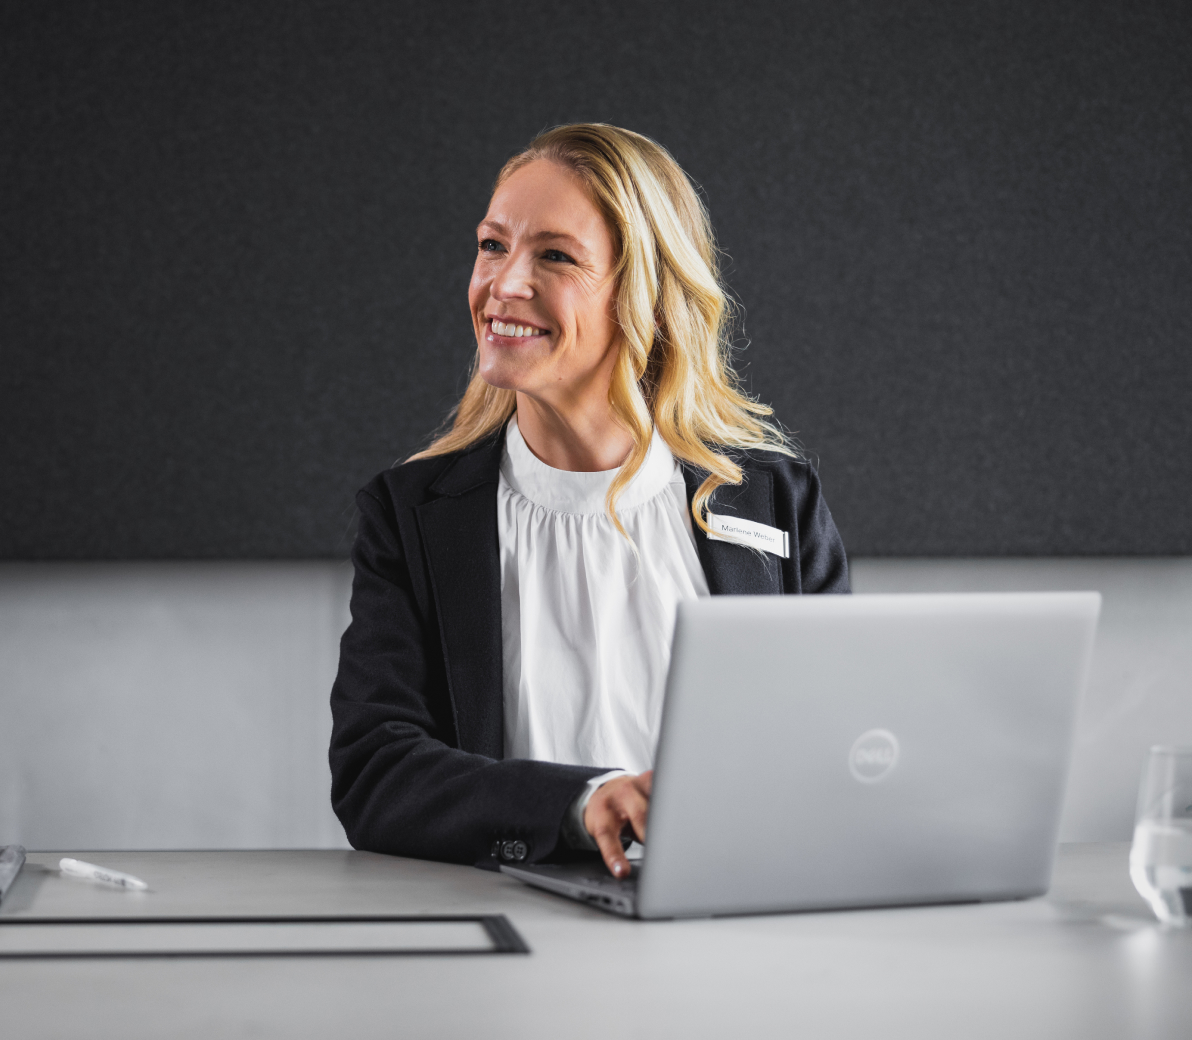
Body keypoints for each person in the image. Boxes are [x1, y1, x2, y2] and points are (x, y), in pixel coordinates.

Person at [329, 124, 849, 880]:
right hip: (510, 945)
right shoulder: (411, 516)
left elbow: (842, 743)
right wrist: (585, 802)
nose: (503, 284)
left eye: (555, 256)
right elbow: (377, 778)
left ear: (648, 296)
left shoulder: (774, 502)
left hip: (738, 937)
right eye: (491, 245)